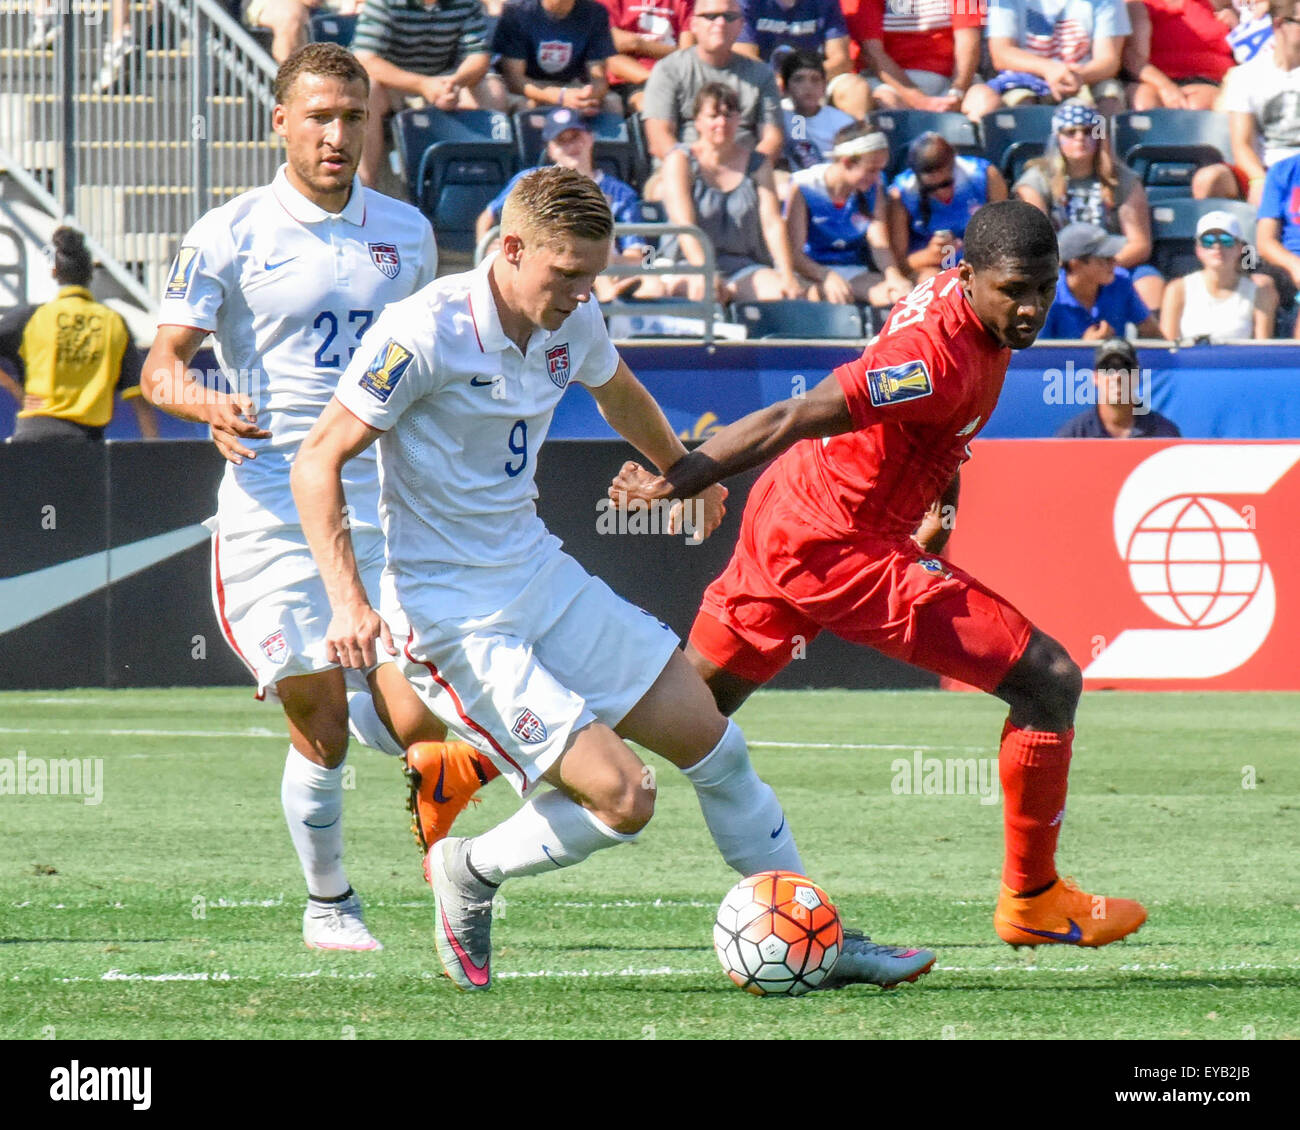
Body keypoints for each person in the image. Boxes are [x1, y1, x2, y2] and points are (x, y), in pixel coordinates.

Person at [290, 165, 936, 990]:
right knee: (624, 798)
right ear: (511, 248)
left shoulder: (575, 313)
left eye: (591, 277)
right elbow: (318, 461)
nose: (578, 295)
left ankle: (817, 932)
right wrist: (348, 600)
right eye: (564, 275)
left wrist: (683, 473)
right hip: (451, 614)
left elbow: (617, 389)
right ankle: (471, 869)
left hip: (537, 572)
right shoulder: (422, 331)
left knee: (717, 745)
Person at [609, 199, 1148, 950]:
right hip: (842, 544)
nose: (1031, 308)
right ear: (968, 277)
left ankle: (480, 764)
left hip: (798, 513)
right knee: (1048, 679)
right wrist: (683, 473)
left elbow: (942, 430)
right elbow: (797, 413)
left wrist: (942, 505)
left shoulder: (967, 315)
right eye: (1015, 290)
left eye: (1045, 287)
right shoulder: (930, 357)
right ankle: (1032, 898)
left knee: (690, 715)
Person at [140, 44, 495, 952]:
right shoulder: (228, 232)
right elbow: (161, 371)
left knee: (431, 727)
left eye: (353, 118)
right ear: (281, 124)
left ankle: (412, 767)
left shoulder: (408, 234)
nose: (337, 135)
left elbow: (434, 360)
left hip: (380, 502)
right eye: (320, 118)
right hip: (270, 511)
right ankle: (330, 902)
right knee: (323, 727)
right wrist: (205, 402)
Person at [475, 106, 666, 300]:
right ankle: (605, 293)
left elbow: (639, 255)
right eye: (561, 141)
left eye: (575, 136)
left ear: (590, 138)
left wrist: (605, 262)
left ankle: (611, 305)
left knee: (654, 285)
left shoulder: (620, 193)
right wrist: (488, 245)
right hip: (543, 263)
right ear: (550, 150)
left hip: (604, 269)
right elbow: (487, 216)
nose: (571, 146)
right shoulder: (531, 180)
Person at [0, 227, 158, 443]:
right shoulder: (112, 322)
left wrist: (15, 389)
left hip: (33, 436)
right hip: (86, 445)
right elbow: (139, 400)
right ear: (91, 274)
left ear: (55, 273)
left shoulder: (31, 318)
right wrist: (153, 454)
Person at [658, 83, 804, 302]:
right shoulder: (679, 160)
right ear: (697, 121)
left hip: (742, 265)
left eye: (728, 115)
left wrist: (786, 274)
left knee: (784, 295)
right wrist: (706, 272)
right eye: (713, 115)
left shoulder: (758, 163)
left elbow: (772, 223)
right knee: (706, 292)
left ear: (739, 119)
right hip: (685, 262)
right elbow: (684, 226)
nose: (722, 122)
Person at [1014, 100, 1163, 311]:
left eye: (1088, 131)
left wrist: (1102, 268)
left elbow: (1140, 244)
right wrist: (1079, 272)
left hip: (1116, 264)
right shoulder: (1037, 181)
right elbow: (1037, 244)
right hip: (1063, 270)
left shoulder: (1124, 180)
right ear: (1057, 137)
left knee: (1150, 283)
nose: (1080, 138)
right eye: (1070, 132)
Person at [352, 0, 507, 187]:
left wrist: (455, 82)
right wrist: (423, 85)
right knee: (365, 91)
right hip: (393, 81)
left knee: (494, 93)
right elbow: (365, 59)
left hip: (445, 78)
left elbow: (478, 57)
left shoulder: (466, 3)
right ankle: (366, 187)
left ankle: (477, 184)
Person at [641, 0, 786, 187]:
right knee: (663, 190)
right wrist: (699, 172)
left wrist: (746, 171)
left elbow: (772, 138)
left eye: (729, 17)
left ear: (741, 25)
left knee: (789, 190)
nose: (720, 23)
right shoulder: (668, 70)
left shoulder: (761, 74)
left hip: (748, 172)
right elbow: (660, 138)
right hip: (681, 172)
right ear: (693, 24)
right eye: (710, 16)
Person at [786, 124, 912, 304]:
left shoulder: (874, 186)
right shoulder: (805, 186)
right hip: (812, 270)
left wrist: (893, 276)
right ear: (846, 162)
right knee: (831, 296)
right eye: (871, 170)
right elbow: (795, 254)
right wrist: (826, 275)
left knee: (897, 297)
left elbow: (878, 241)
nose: (877, 176)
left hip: (852, 269)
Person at [1197, 0, 1300, 204]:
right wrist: (1259, 179)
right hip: (1264, 168)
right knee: (1208, 179)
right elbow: (1241, 145)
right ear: (1279, 25)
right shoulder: (1247, 76)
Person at [846, 0, 1000, 122]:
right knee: (887, 104)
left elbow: (968, 43)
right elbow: (872, 53)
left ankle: (973, 160)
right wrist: (919, 100)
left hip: (950, 81)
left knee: (986, 101)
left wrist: (956, 93)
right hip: (892, 84)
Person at [890, 132, 1009, 286]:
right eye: (930, 188)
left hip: (979, 262)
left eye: (946, 183)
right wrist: (930, 255)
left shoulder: (984, 175)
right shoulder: (902, 194)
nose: (940, 192)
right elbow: (898, 264)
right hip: (931, 269)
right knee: (934, 282)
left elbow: (1004, 236)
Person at [986, 0, 1132, 115]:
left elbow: (1108, 62)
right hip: (1024, 76)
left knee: (1109, 101)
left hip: (1085, 76)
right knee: (1022, 105)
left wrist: (1076, 76)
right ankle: (1030, 151)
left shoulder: (1107, 2)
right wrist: (1049, 69)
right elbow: (1001, 54)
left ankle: (1103, 147)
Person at [733, 0, 873, 119]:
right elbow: (745, 56)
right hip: (767, 82)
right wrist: (782, 81)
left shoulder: (825, 3)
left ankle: (857, 146)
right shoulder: (749, 3)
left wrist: (806, 79)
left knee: (855, 89)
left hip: (818, 79)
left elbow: (842, 59)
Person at [1160, 210, 1277, 339]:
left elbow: (1263, 349)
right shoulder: (1177, 290)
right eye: (1208, 241)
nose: (1217, 246)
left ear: (1239, 248)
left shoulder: (1260, 292)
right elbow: (1168, 349)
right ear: (1198, 250)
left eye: (1226, 240)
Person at [493, 0, 621, 115]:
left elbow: (598, 78)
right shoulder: (517, 11)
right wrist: (559, 97)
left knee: (612, 102)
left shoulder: (595, 13)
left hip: (570, 85)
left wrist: (584, 98)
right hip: (527, 89)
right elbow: (514, 80)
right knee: (526, 106)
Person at [1040, 221, 1164, 337]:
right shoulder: (1045, 300)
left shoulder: (1120, 281)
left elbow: (1154, 337)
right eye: (1104, 258)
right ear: (1075, 264)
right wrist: (1082, 351)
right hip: (1066, 362)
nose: (1114, 262)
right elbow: (1036, 357)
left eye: (1113, 256)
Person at [1121, 0, 1233, 111]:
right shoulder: (1140, 6)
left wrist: (1236, 25)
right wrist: (1165, 86)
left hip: (1211, 80)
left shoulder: (1214, 4)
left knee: (1198, 104)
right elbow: (1133, 59)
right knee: (1145, 103)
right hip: (1158, 79)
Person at [1056, 337, 1182, 435]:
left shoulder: (1164, 434)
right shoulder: (1074, 436)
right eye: (1108, 368)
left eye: (1125, 368)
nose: (1117, 376)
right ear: (1095, 378)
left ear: (1137, 376)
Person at [598, 0, 696, 113]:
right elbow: (610, 47)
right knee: (650, 105)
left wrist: (638, 44)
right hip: (630, 80)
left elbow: (686, 56)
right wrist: (657, 78)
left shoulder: (684, 3)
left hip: (674, 76)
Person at [778, 49, 856, 172]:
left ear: (824, 86)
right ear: (785, 88)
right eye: (798, 79)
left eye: (815, 79)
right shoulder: (779, 119)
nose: (808, 86)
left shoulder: (842, 121)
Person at [1255, 148, 1300, 331]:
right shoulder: (1283, 170)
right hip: (1288, 267)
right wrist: (1295, 265)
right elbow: (1265, 242)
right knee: (1248, 264)